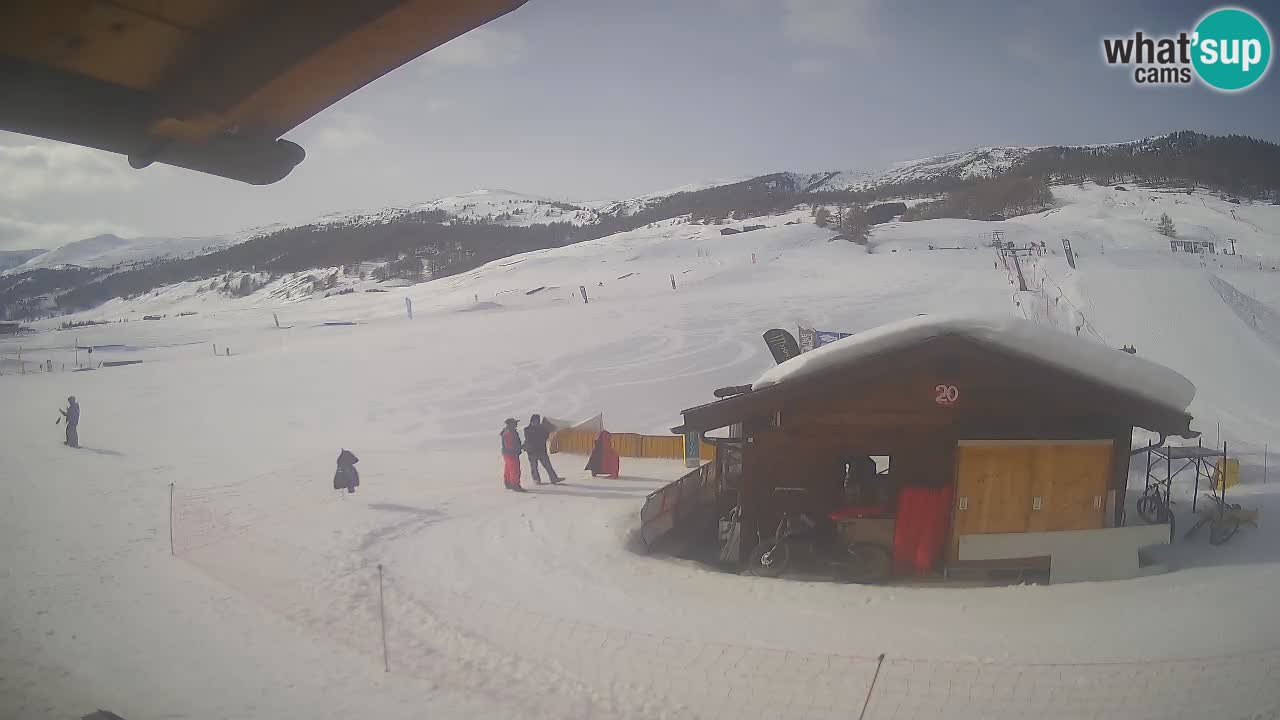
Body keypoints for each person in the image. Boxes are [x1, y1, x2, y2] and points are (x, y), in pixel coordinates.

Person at [523, 414, 563, 484]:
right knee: (534, 467)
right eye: (535, 421)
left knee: (548, 466)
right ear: (532, 421)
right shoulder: (527, 429)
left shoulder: (542, 428)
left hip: (541, 450)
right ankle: (536, 479)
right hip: (532, 451)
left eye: (538, 421)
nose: (537, 422)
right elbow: (531, 439)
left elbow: (546, 436)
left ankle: (553, 478)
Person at [500, 418, 525, 491]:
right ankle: (515, 485)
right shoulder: (509, 433)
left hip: (507, 453)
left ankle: (508, 482)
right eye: (514, 423)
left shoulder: (507, 432)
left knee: (508, 468)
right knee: (515, 469)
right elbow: (510, 445)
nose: (516, 424)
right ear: (510, 424)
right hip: (511, 454)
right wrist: (520, 447)